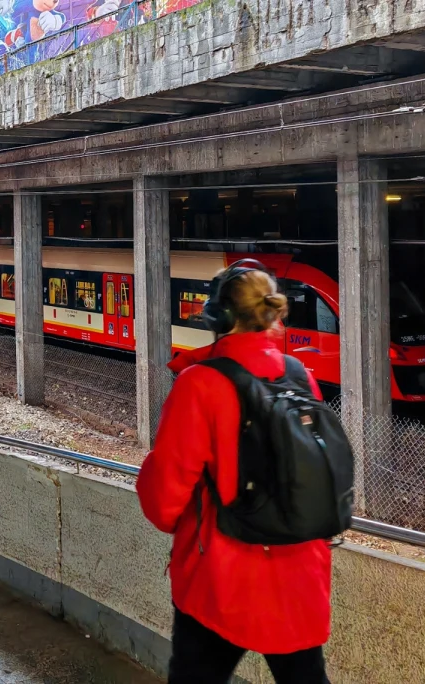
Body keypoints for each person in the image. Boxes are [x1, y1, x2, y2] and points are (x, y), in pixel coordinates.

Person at [136, 265, 332, 684]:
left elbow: (163, 500)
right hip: (300, 574)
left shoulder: (199, 384)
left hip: (221, 578)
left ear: (217, 318)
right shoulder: (300, 377)